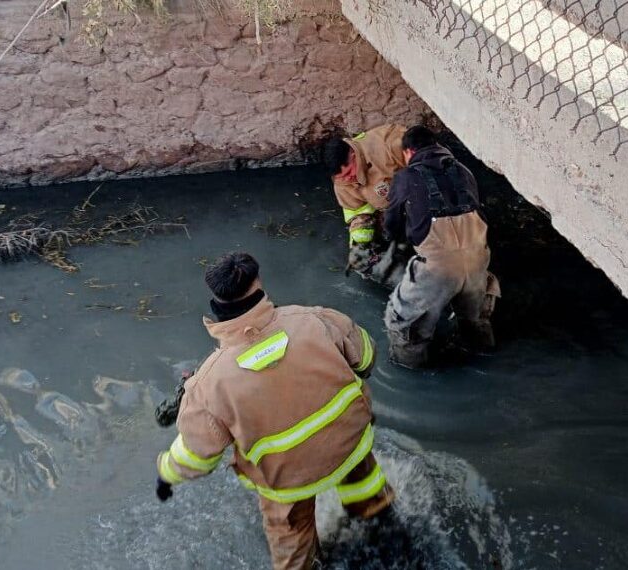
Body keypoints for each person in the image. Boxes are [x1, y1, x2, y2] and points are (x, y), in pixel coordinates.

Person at [154, 252, 394, 570]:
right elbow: (366, 357)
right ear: (260, 287)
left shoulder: (208, 384)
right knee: (363, 480)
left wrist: (166, 475)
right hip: (351, 445)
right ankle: (379, 517)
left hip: (287, 483)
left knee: (291, 544)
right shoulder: (316, 319)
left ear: (216, 308)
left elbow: (197, 456)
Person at [383, 126, 500, 368]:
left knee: (404, 325)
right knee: (475, 320)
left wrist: (395, 244)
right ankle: (484, 354)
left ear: (408, 152)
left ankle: (410, 373)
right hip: (478, 259)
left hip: (438, 267)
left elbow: (392, 222)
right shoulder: (464, 171)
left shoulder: (406, 177)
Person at [324, 124, 411, 288]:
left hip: (422, 205)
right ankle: (407, 285)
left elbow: (433, 167)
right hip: (390, 215)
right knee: (362, 260)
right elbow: (358, 213)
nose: (349, 180)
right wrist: (360, 246)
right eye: (342, 178)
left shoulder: (391, 144)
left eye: (350, 173)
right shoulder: (342, 183)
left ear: (353, 154)